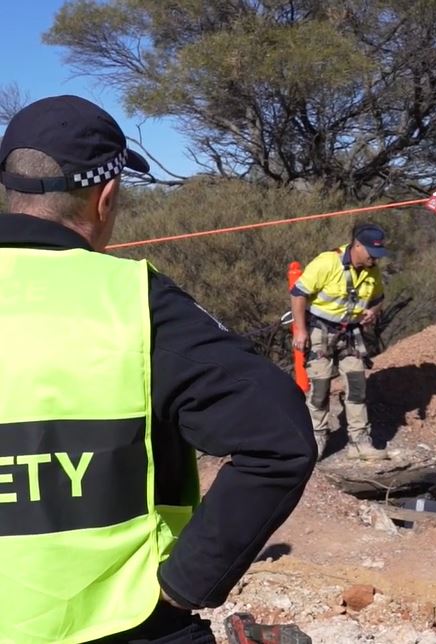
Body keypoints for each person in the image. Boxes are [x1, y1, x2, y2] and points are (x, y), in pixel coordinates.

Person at [0, 95, 317, 643]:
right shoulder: (132, 303)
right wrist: (185, 586)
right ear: (106, 198)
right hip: (121, 624)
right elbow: (280, 438)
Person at [290, 223, 389, 460]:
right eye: (371, 253)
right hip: (320, 331)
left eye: (378, 255)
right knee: (320, 387)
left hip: (351, 334)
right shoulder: (327, 262)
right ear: (357, 246)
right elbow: (298, 293)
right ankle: (316, 437)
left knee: (357, 386)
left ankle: (359, 441)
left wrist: (373, 311)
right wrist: (300, 331)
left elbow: (378, 298)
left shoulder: (371, 271)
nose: (375, 259)